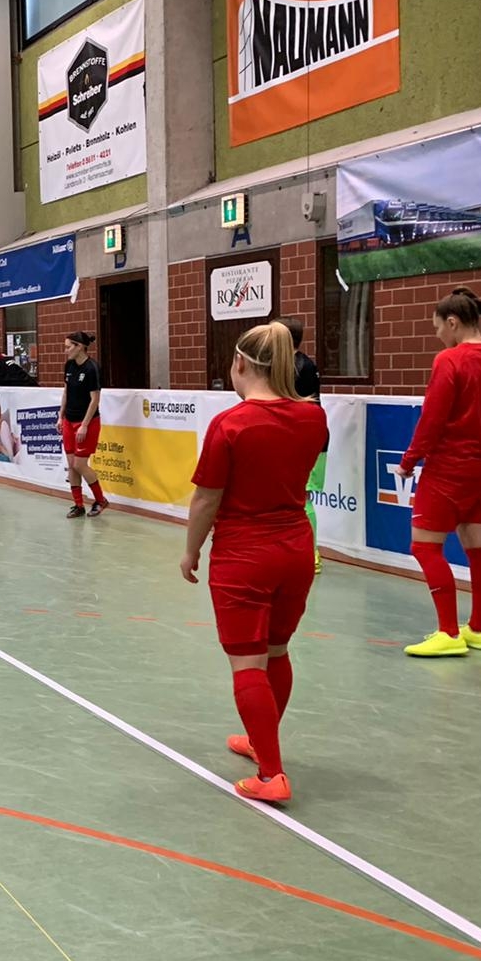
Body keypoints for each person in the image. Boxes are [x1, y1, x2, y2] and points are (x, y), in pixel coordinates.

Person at [180, 322, 328, 806]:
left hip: (244, 554)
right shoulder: (313, 418)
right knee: (277, 651)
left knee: (247, 662)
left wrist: (190, 550)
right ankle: (261, 740)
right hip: (295, 550)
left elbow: (206, 498)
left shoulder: (231, 424)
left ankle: (272, 773)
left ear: (240, 364)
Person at [399, 288, 481, 658]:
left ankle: (448, 632)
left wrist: (409, 460)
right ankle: (479, 629)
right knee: (479, 547)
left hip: (450, 468)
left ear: (452, 322)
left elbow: (433, 419)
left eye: (438, 328)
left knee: (424, 546)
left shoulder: (449, 360)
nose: (438, 335)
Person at [283, 318, 328, 575]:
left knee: (303, 495)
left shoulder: (300, 367)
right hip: (301, 437)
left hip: (307, 439)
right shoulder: (290, 364)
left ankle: (312, 555)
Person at [59, 331, 108, 518]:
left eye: (68, 347)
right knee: (71, 465)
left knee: (79, 464)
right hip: (68, 420)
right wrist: (60, 416)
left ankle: (100, 500)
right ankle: (78, 505)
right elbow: (66, 392)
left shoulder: (91, 368)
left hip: (87, 422)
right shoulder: (69, 365)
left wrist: (85, 425)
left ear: (79, 347)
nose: (66, 351)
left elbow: (95, 400)